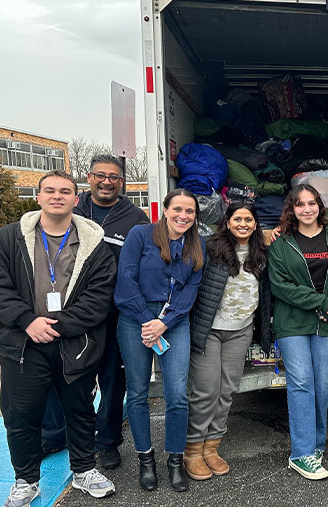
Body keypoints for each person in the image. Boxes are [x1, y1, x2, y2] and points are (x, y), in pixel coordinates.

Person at [0, 170, 117, 506]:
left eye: (65, 191)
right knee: (21, 414)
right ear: (38, 197)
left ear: (76, 199)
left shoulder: (95, 247)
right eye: (50, 191)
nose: (58, 196)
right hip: (24, 344)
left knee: (81, 410)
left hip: (75, 343)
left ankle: (84, 470)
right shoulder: (7, 239)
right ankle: (26, 480)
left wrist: (56, 325)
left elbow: (98, 299)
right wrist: (27, 321)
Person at [41, 154, 149, 469]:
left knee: (113, 381)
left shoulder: (135, 218)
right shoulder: (70, 209)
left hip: (115, 315)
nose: (106, 182)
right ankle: (55, 435)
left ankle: (107, 442)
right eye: (100, 175)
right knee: (62, 376)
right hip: (70, 312)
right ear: (88, 177)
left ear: (122, 181)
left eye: (114, 177)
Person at [114, 189, 206, 492]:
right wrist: (147, 321)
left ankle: (175, 462)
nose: (183, 216)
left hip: (174, 322)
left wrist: (164, 323)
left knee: (178, 395)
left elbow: (189, 292)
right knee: (138, 392)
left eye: (190, 211)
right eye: (177, 209)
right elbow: (126, 282)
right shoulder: (140, 235)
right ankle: (146, 460)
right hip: (135, 319)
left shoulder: (197, 244)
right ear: (164, 210)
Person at [267, 184, 328, 480]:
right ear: (291, 209)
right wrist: (323, 301)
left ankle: (316, 444)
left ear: (320, 206)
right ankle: (301, 454)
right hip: (292, 322)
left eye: (312, 203)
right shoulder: (282, 243)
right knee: (301, 382)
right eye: (300, 204)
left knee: (320, 383)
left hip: (327, 322)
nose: (307, 209)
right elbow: (280, 287)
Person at [186, 202, 272, 480]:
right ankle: (192, 450)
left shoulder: (262, 252)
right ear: (228, 221)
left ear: (256, 224)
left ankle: (212, 447)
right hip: (209, 329)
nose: (243, 223)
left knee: (228, 390)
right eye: (237, 219)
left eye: (249, 219)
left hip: (241, 330)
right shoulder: (211, 248)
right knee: (206, 390)